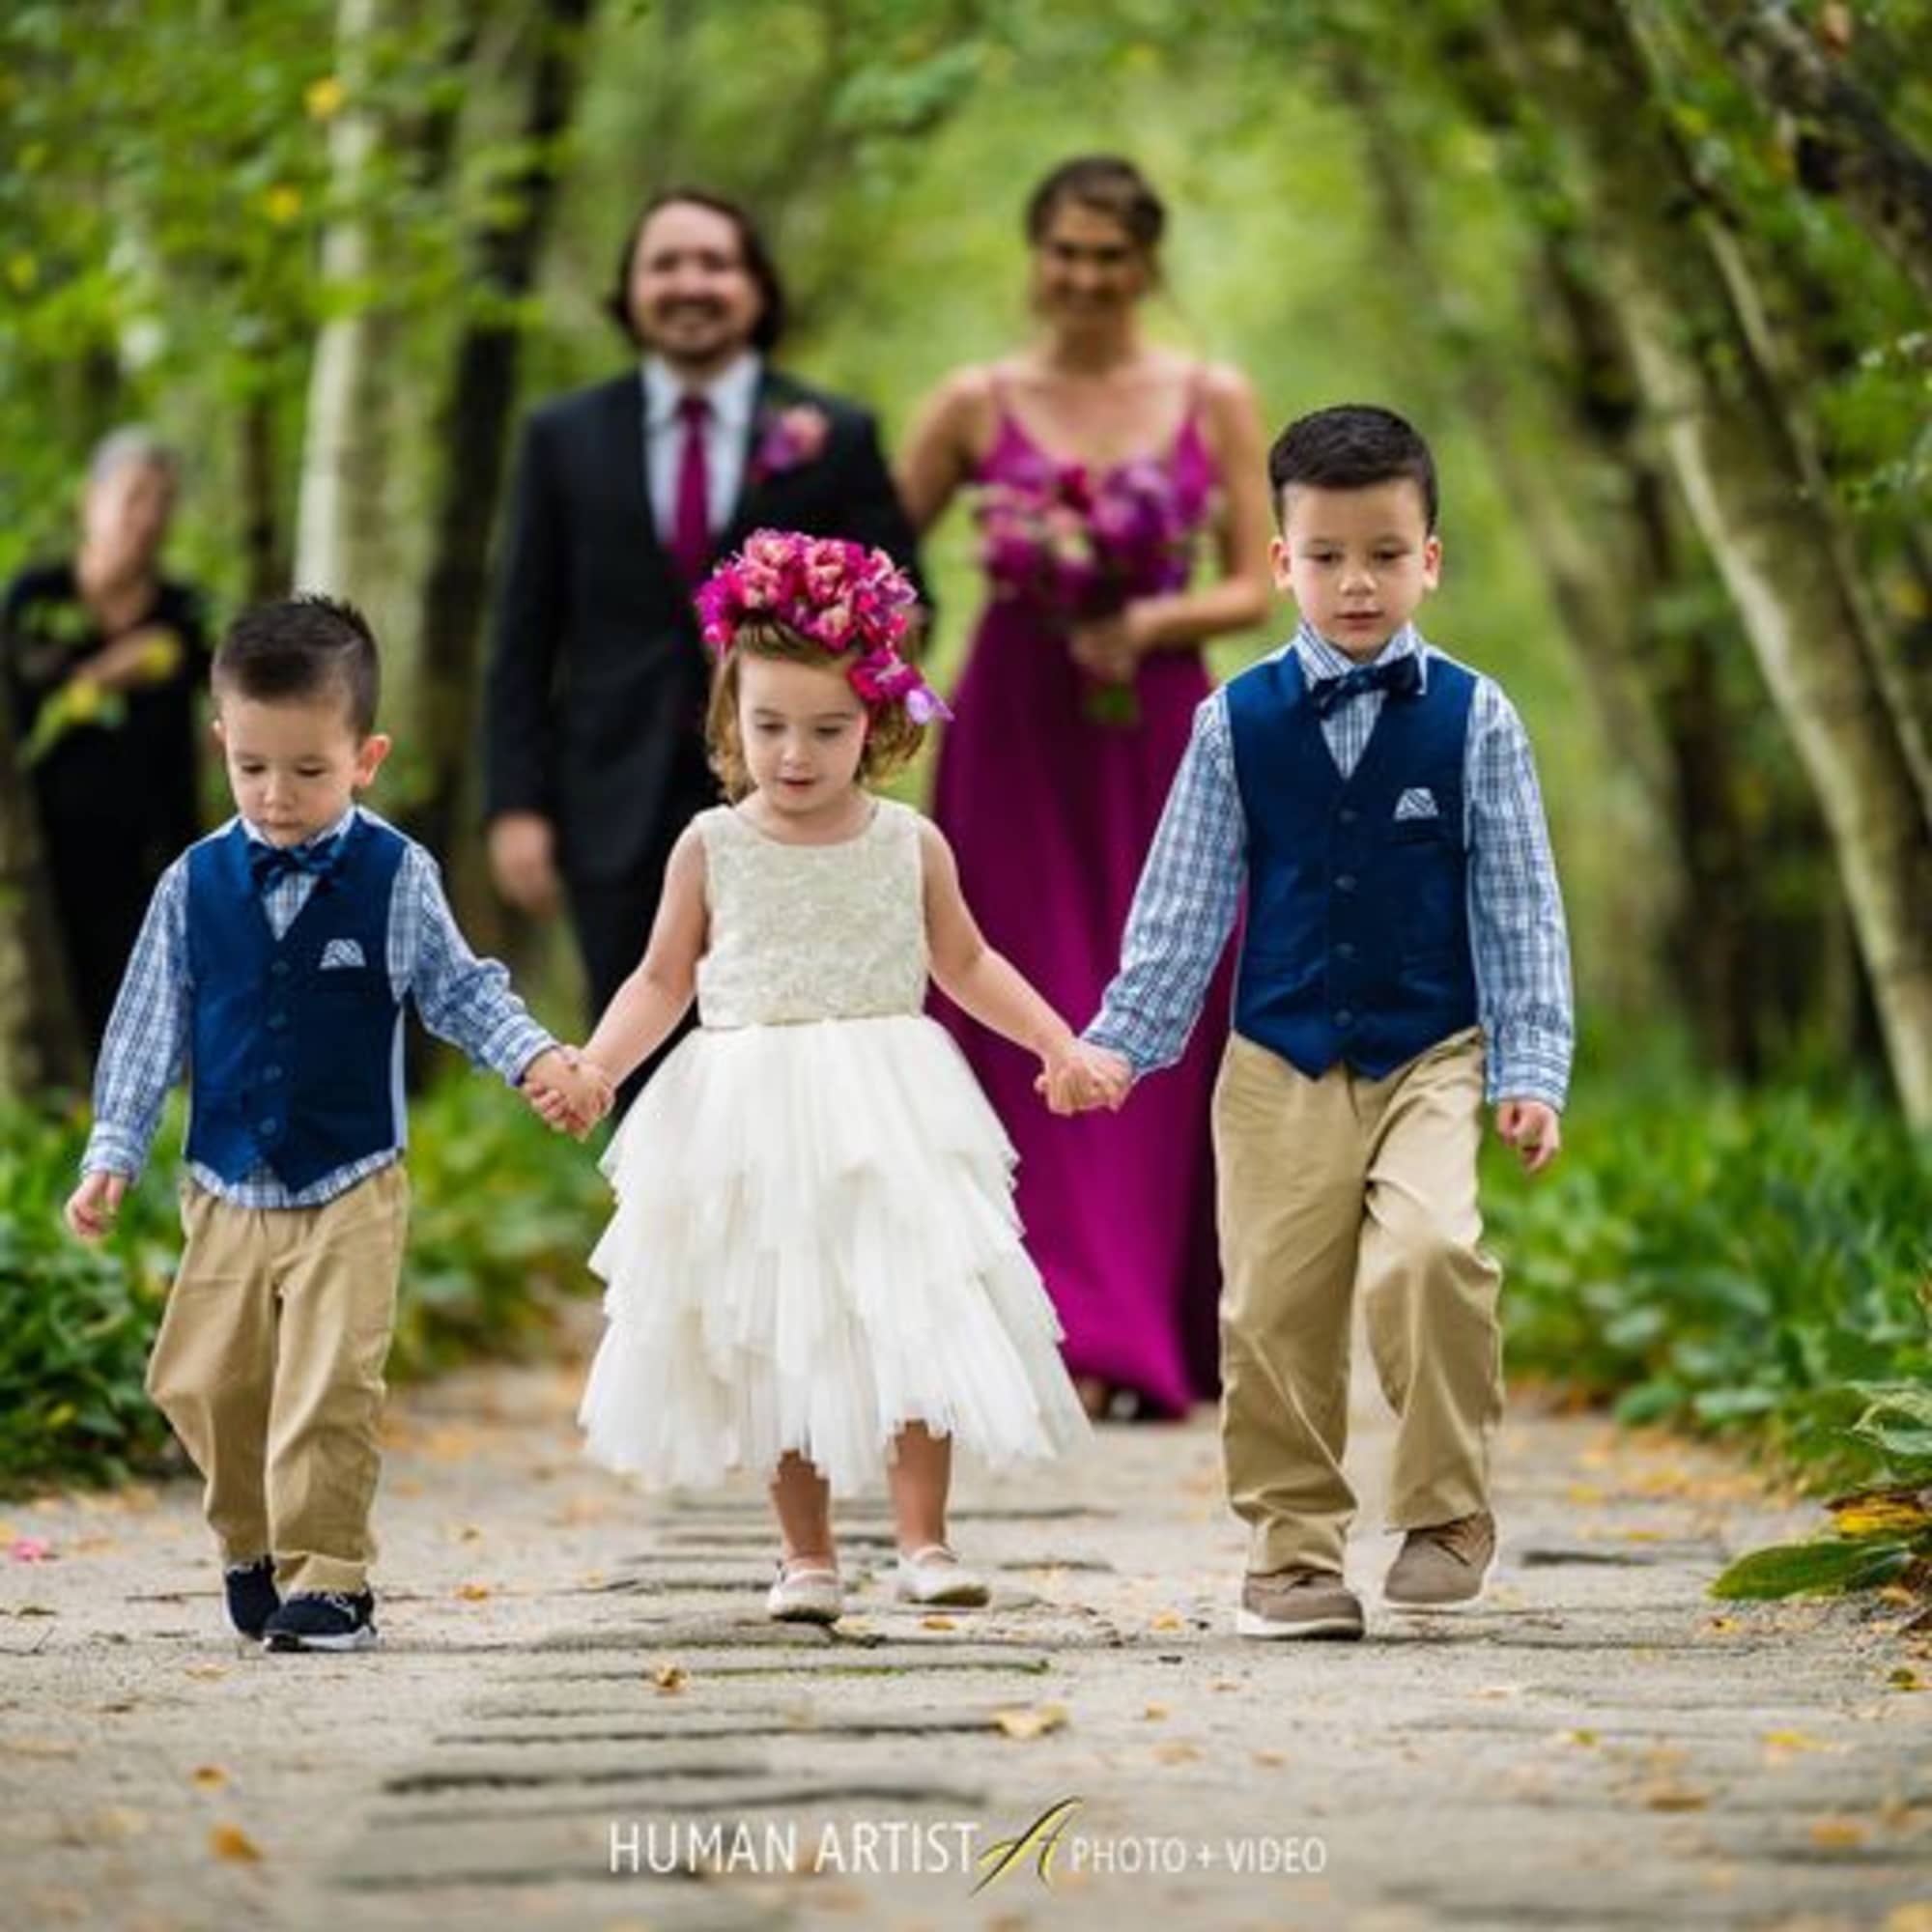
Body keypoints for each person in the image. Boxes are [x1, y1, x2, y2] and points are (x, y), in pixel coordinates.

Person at [1051, 405, 1573, 1640]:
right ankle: (1291, 1552)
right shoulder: (1232, 720)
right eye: (1326, 554)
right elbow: (1179, 908)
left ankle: (1445, 1509)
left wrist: (1532, 1063)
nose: (1356, 581)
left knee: (1431, 1254)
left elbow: (1517, 906)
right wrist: (1123, 1041)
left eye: (1385, 554)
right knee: (1273, 1308)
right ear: (1278, 560)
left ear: (1428, 560)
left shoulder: (1475, 716)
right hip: (1274, 1055)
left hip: (1428, 1052)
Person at [547, 531, 1090, 1625]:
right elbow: (662, 978)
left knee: (912, 1309)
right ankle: (804, 1553)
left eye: (828, 728)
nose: (796, 752)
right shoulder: (710, 844)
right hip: (749, 1108)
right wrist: (600, 1064)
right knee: (778, 1326)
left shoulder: (909, 844)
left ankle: (924, 1539)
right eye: (770, 725)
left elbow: (966, 962)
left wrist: (1056, 1043)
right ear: (728, 722)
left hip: (890, 1099)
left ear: (878, 725)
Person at [62, 595, 604, 1654]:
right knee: (202, 1378)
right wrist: (113, 1147)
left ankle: (332, 1580)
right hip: (224, 1180)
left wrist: (540, 1056)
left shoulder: (395, 875)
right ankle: (252, 1544)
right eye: (252, 766)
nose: (277, 795)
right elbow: (144, 1022)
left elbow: (460, 990)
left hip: (352, 1177)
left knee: (328, 1383)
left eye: (309, 771)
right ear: (222, 741)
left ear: (366, 755)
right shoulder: (192, 882)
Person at [895, 156, 1272, 1420]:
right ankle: (1031, 1314)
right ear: (1035, 254)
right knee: (1011, 985)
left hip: (1158, 725)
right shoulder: (973, 401)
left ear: (1147, 265)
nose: (1087, 277)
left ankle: (1141, 1322)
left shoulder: (1210, 395)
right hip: (1013, 723)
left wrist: (1149, 619)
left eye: (1112, 255)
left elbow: (1256, 582)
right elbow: (883, 563)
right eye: (1067, 250)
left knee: (1164, 986)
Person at [484, 187, 926, 1089]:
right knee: (638, 1041)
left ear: (756, 288)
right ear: (631, 289)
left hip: (797, 793)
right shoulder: (562, 437)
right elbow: (523, 634)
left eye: (715, 263)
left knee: (789, 1050)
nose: (692, 284)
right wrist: (516, 804)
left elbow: (910, 604)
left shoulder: (831, 435)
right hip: (611, 792)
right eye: (666, 264)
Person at [4, 429, 211, 1052]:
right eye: (134, 497)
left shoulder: (183, 612)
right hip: (48, 853)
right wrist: (108, 672)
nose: (148, 518)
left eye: (162, 502)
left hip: (153, 856)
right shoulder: (37, 600)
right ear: (90, 503)